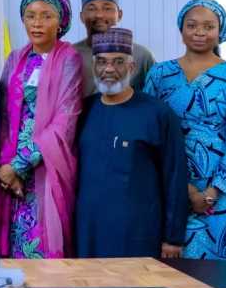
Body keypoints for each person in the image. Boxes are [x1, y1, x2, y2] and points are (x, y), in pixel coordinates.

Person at [144, 0, 226, 261]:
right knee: (169, 268)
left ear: (221, 31)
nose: (199, 32)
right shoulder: (160, 74)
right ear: (181, 29)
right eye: (192, 25)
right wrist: (184, 190)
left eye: (208, 26)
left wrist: (212, 192)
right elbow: (147, 129)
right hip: (169, 183)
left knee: (218, 272)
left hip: (222, 192)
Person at [0, 0, 84, 259]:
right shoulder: (15, 58)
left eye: (46, 16)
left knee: (42, 245)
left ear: (61, 21)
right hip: (9, 172)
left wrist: (19, 165)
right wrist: (6, 168)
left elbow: (64, 122)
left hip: (46, 167)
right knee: (10, 249)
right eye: (30, 16)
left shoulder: (69, 59)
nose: (37, 23)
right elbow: (3, 115)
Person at [74, 28, 187, 259]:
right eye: (101, 62)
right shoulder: (82, 111)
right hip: (89, 231)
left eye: (118, 62)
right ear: (93, 67)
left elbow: (174, 177)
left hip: (139, 233)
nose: (108, 69)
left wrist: (173, 238)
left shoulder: (157, 114)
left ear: (132, 67)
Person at [72, 0, 154, 99]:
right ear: (81, 16)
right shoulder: (70, 54)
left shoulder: (142, 56)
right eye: (92, 8)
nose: (99, 15)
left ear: (119, 15)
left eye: (107, 8)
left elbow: (154, 98)